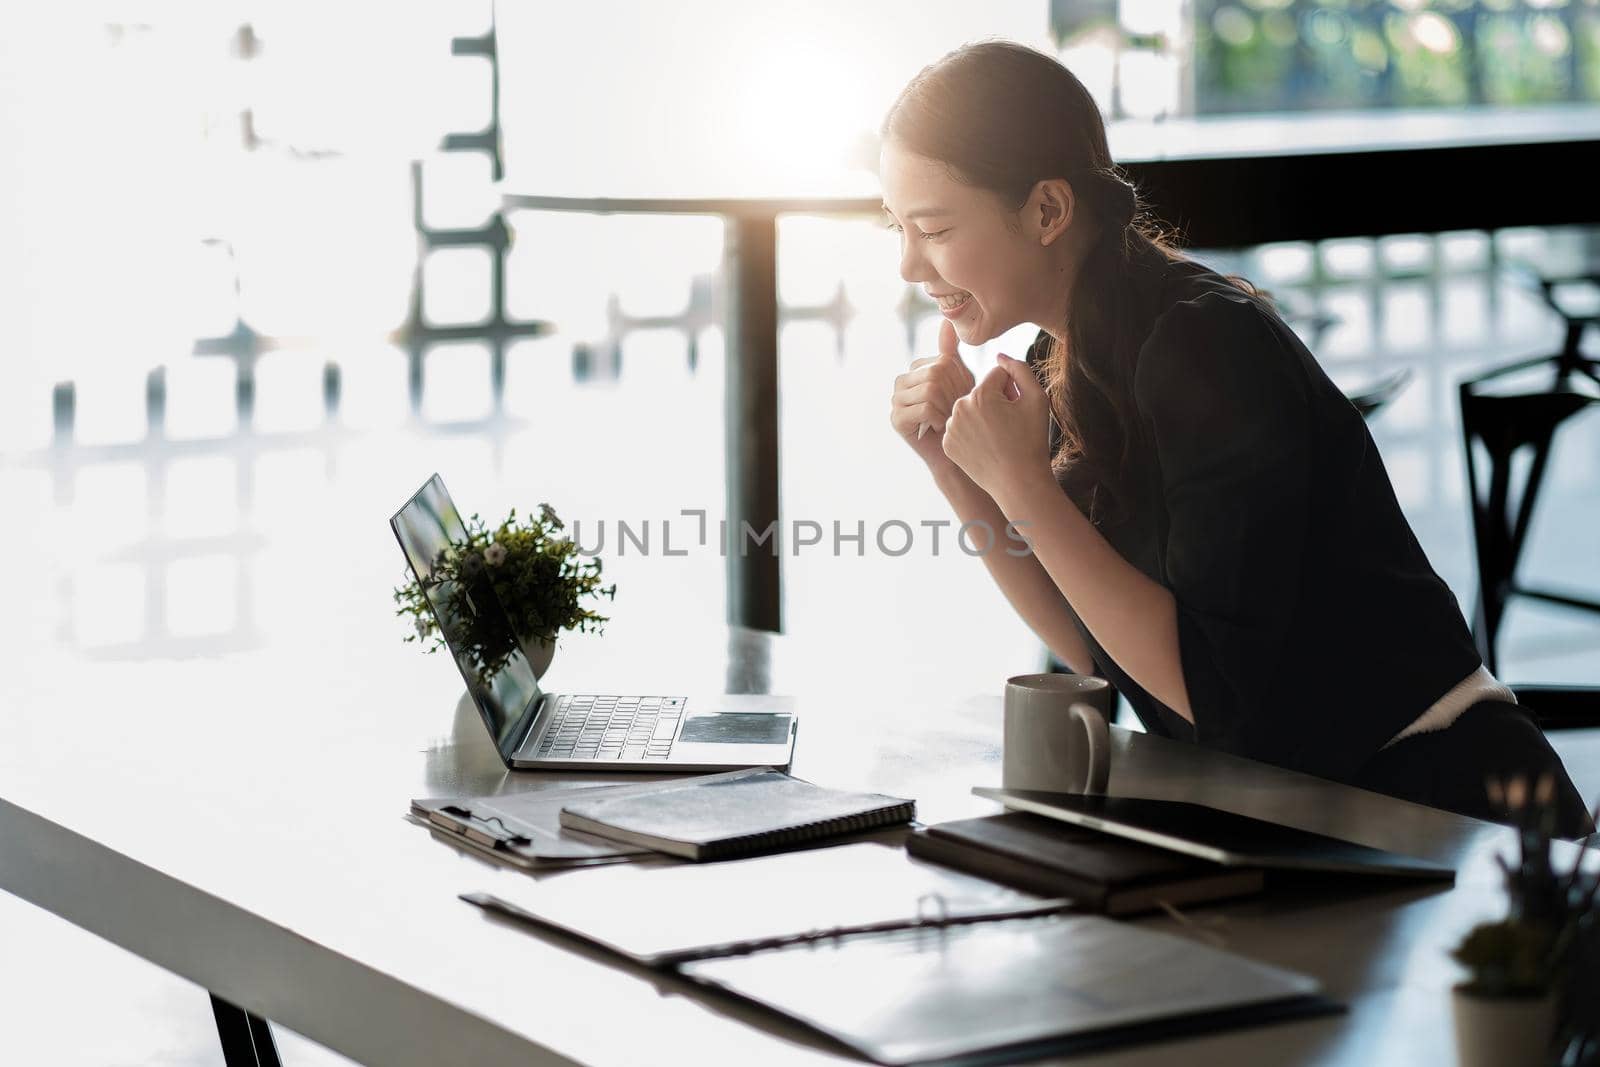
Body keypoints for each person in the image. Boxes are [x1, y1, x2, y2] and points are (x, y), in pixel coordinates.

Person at [882, 40, 1594, 839]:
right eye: (897, 228)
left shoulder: (1204, 342)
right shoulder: (1069, 356)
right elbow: (1096, 647)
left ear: (1047, 210)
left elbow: (1209, 689)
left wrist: (1023, 486)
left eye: (933, 228)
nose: (909, 263)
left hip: (1447, 798)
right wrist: (956, 472)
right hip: (1317, 808)